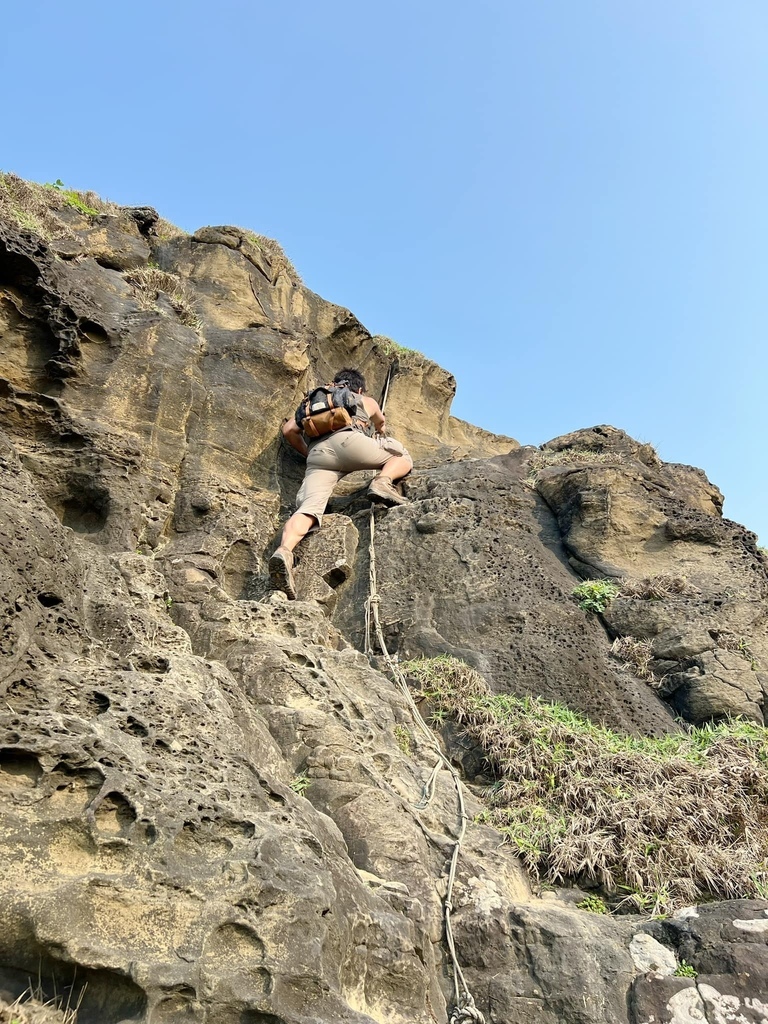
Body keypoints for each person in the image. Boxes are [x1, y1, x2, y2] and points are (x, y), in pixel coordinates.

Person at [269, 368, 413, 599]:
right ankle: (383, 482)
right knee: (401, 456)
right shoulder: (361, 398)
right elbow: (381, 422)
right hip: (351, 442)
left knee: (308, 509)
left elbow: (289, 431)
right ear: (358, 388)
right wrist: (380, 431)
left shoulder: (313, 401)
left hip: (318, 455)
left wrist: (308, 453)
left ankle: (284, 550)